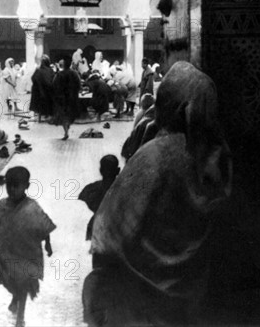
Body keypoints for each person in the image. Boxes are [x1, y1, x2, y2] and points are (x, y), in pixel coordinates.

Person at [84, 61, 232, 327]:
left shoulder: (156, 155)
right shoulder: (216, 156)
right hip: (188, 289)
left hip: (141, 293)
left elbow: (112, 228)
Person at [0, 166, 56, 327]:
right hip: (5, 253)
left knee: (23, 283)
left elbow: (43, 224)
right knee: (9, 281)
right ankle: (15, 296)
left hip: (27, 254)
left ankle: (20, 317)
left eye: (16, 186)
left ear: (26, 186)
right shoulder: (2, 204)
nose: (12, 189)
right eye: (9, 185)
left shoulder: (32, 207)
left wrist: (48, 243)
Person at [79, 155, 120, 240]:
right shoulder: (125, 190)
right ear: (118, 170)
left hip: (96, 229)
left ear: (100, 171)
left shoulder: (90, 190)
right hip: (118, 232)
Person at [52, 55, 81, 140]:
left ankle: (66, 132)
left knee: (63, 115)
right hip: (72, 98)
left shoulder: (59, 74)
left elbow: (54, 85)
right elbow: (79, 85)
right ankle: (67, 126)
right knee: (70, 114)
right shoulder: (74, 73)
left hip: (62, 99)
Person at [30, 55, 54, 122]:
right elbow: (52, 80)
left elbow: (33, 78)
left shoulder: (38, 70)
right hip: (47, 91)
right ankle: (48, 115)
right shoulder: (50, 70)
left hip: (39, 92)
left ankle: (41, 115)